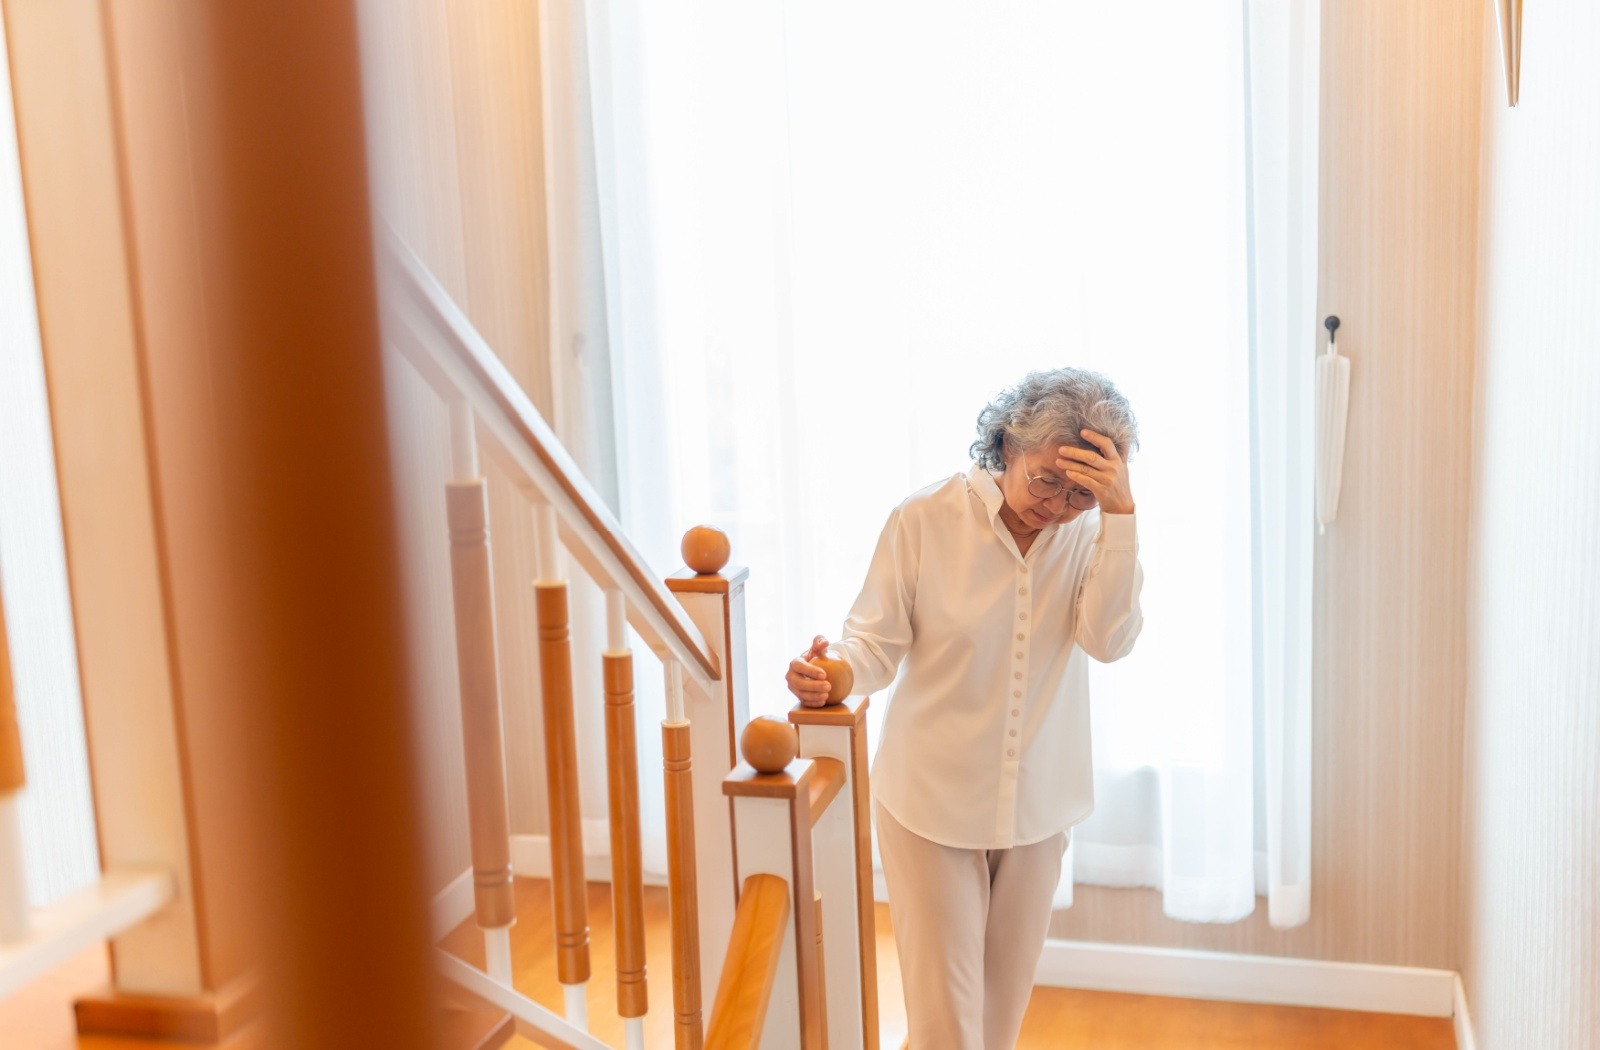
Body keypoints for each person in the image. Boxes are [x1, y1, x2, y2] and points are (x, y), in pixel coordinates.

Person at [785, 367, 1144, 1049]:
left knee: (996, 1027)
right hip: (931, 801)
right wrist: (830, 675)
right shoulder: (924, 518)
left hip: (1039, 807)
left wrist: (1119, 516)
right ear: (1007, 445)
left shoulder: (1092, 533)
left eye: (1079, 492)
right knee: (948, 1029)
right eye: (1046, 480)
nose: (1058, 504)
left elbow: (1109, 640)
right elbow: (874, 642)